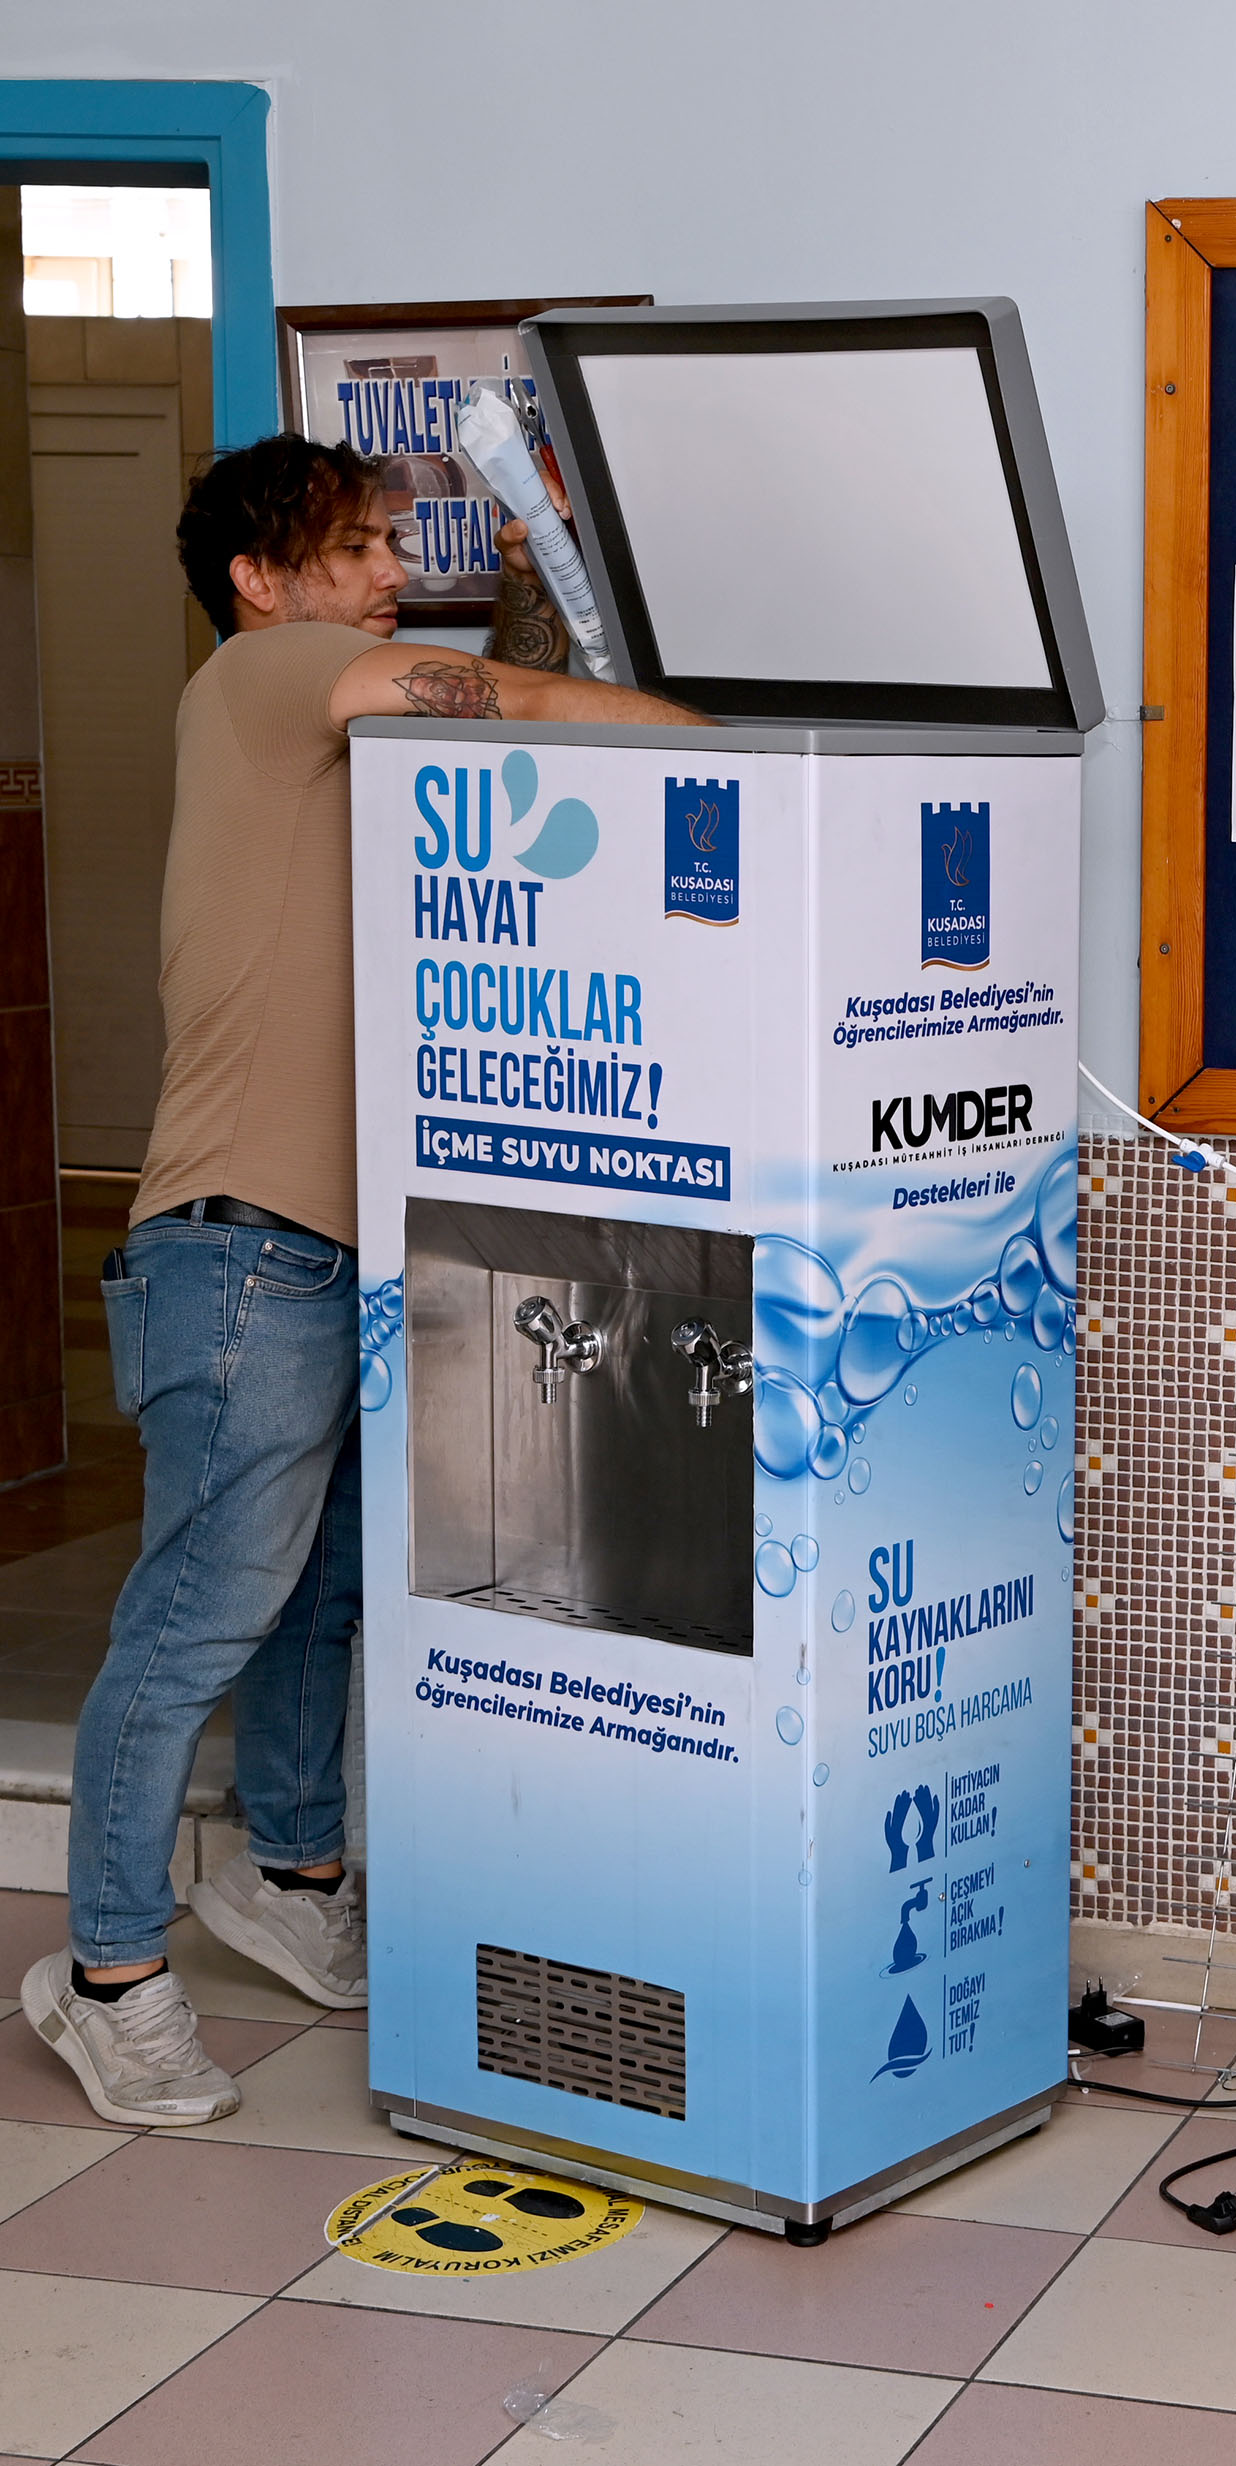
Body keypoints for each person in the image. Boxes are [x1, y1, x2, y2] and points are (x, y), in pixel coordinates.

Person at [21, 434, 700, 2126]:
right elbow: (509, 704)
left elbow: (493, 738)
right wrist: (739, 751)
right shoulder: (261, 678)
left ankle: (293, 1874)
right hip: (236, 1247)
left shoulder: (336, 728)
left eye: (392, 544)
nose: (393, 573)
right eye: (356, 549)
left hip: (336, 1248)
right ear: (260, 582)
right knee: (196, 1614)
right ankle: (104, 1972)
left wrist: (536, 602)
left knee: (323, 1592)